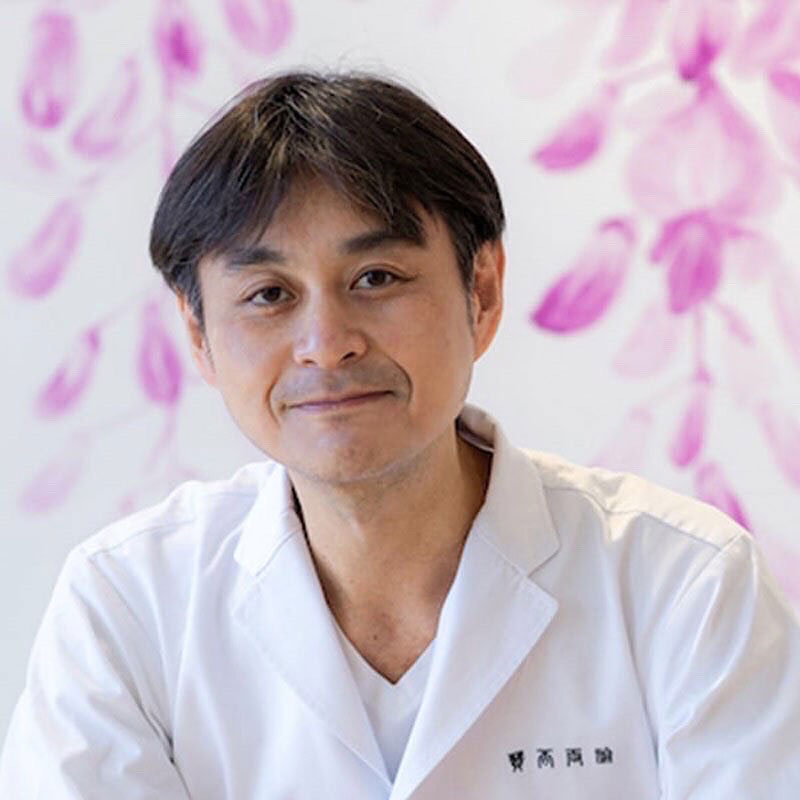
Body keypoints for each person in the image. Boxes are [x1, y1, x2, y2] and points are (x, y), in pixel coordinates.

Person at [1, 70, 798, 800]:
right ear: (198, 334)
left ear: (481, 290)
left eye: (376, 278)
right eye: (269, 294)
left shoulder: (686, 587)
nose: (326, 344)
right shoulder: (127, 606)